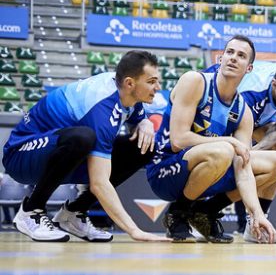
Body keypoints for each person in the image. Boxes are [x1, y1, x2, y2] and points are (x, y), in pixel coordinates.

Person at [2, 50, 168, 242]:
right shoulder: (102, 109)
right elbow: (99, 183)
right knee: (82, 138)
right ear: (130, 83)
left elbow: (137, 113)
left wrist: (145, 122)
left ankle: (73, 214)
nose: (158, 87)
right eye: (152, 81)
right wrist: (134, 230)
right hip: (21, 155)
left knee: (143, 147)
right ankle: (31, 211)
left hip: (58, 152)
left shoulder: (123, 90)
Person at [146, 35, 276, 244]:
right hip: (165, 171)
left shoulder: (243, 111)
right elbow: (178, 140)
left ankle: (205, 212)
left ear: (249, 69)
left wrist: (257, 213)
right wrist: (230, 141)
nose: (233, 58)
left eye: (241, 55)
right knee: (224, 151)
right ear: (220, 58)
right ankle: (178, 213)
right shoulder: (195, 81)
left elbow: (242, 168)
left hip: (208, 170)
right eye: (229, 52)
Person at [207, 60, 276, 242]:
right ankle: (200, 215)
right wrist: (244, 151)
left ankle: (256, 224)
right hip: (222, 115)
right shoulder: (251, 92)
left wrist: (255, 150)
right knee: (229, 157)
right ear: (275, 84)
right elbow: (228, 128)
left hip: (257, 119)